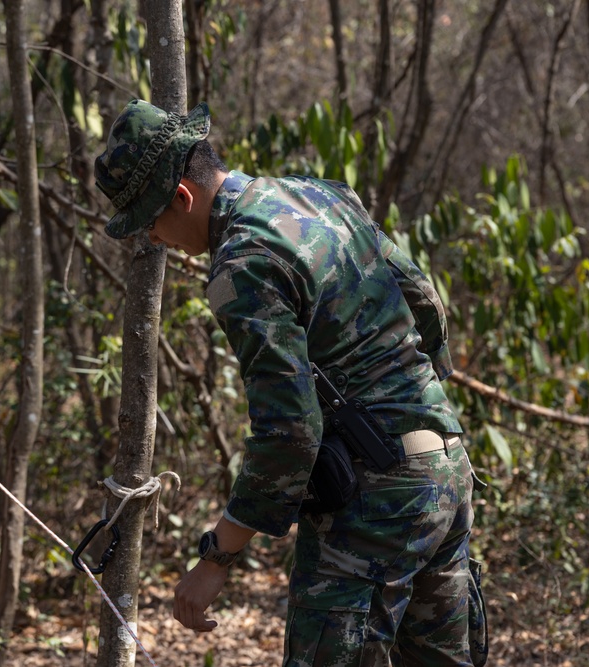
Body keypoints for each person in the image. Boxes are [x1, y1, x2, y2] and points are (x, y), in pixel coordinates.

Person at [94, 99, 487, 666]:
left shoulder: (241, 264)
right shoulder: (318, 194)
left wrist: (217, 559)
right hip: (447, 471)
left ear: (182, 196)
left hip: (375, 501)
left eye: (150, 222)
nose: (154, 240)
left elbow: (289, 430)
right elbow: (424, 299)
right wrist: (417, 398)